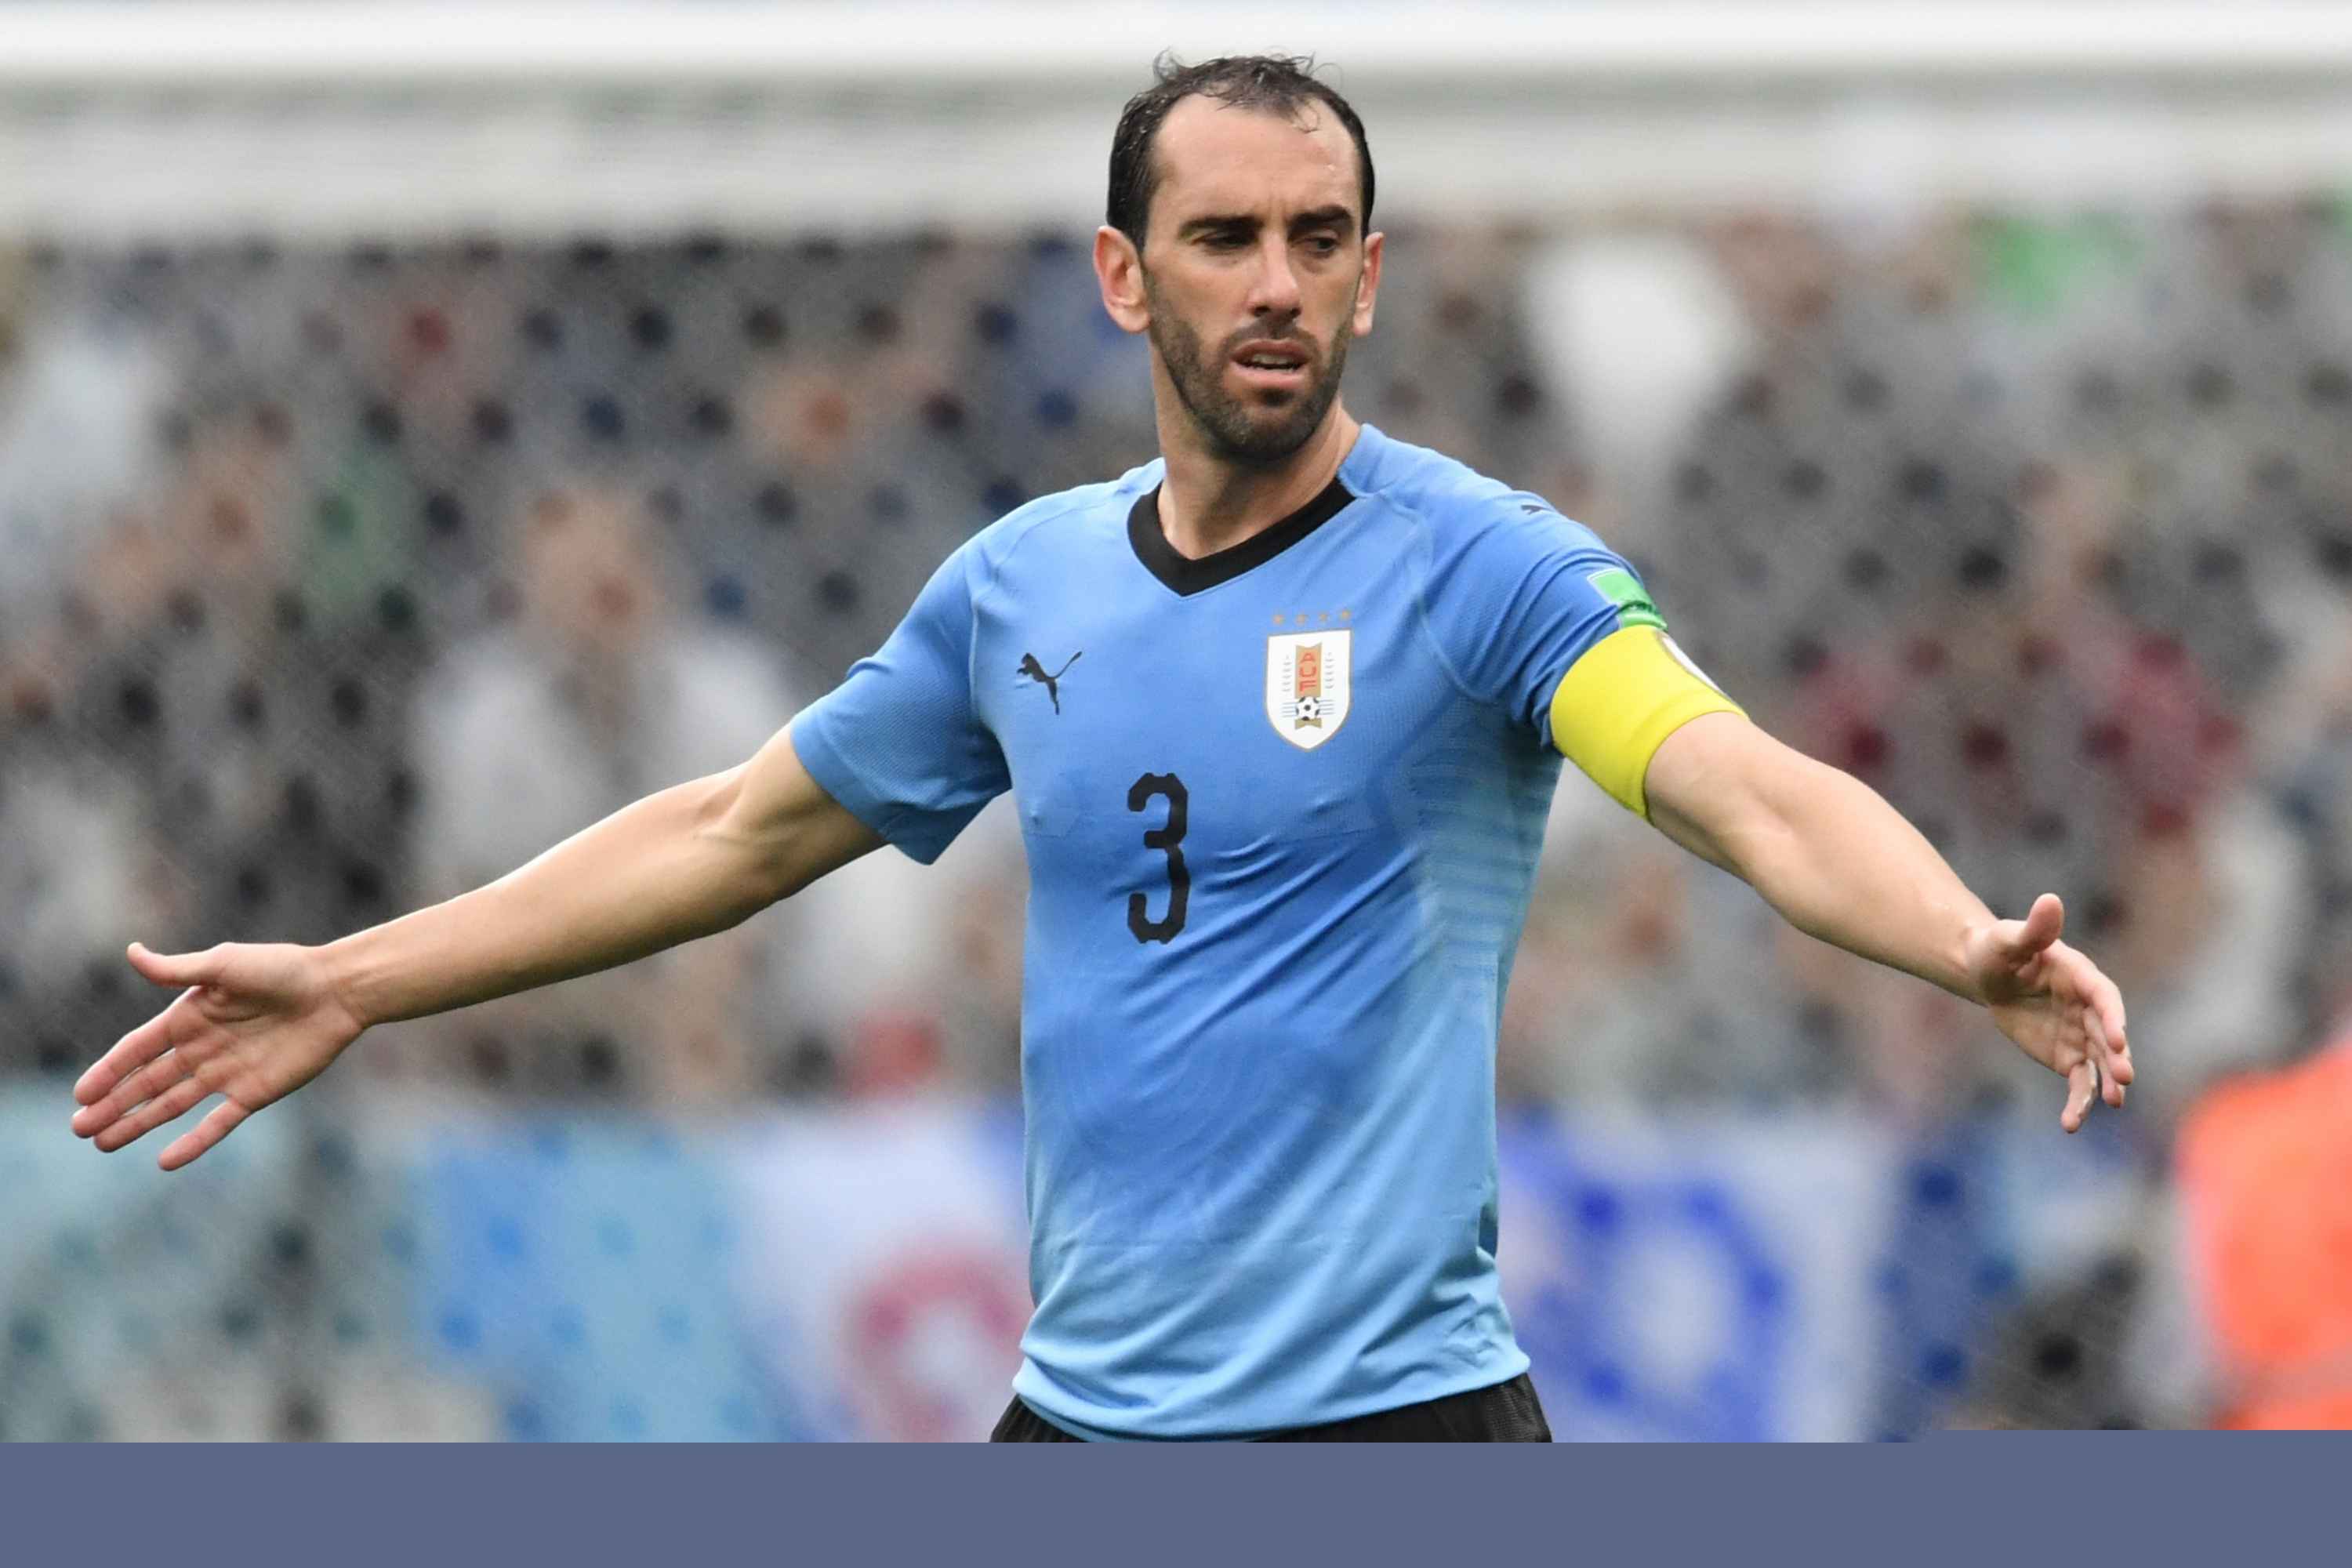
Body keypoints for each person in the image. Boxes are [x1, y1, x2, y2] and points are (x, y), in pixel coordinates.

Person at [71, 56, 2132, 1443]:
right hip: (1086, 1427)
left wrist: (1958, 938)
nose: (1277, 286)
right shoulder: (1019, 595)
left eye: (1322, 240)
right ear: (1123, 276)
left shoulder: (1483, 570)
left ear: (1374, 279)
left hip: (1400, 1428)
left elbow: (1739, 781)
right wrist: (351, 977)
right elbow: (726, 831)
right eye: (1227, 240)